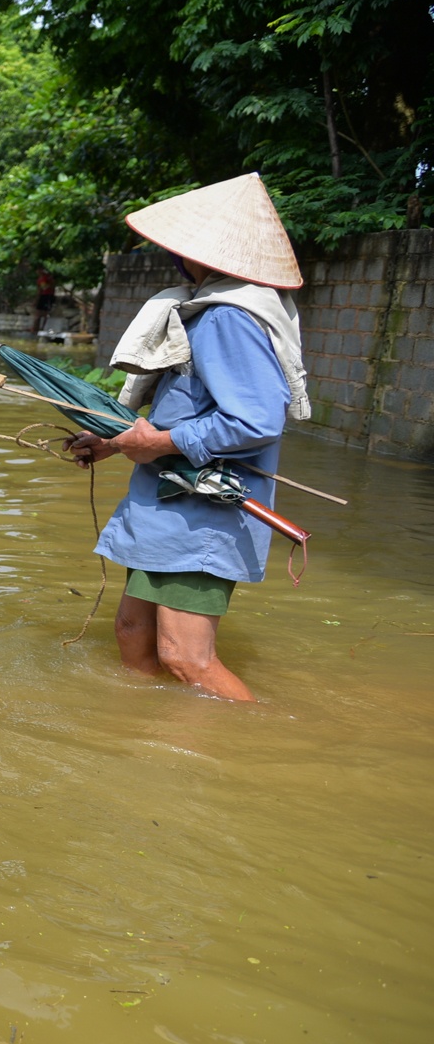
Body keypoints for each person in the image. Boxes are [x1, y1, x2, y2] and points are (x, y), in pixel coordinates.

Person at [64, 173, 310, 702]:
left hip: (200, 509)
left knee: (187, 659)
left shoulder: (225, 317)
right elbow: (187, 408)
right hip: (166, 504)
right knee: (133, 637)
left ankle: (253, 747)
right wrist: (111, 442)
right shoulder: (204, 311)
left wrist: (156, 444)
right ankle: (152, 740)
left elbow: (255, 421)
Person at [30, 267, 56, 336]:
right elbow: (41, 289)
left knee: (43, 314)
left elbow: (43, 289)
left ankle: (40, 328)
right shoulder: (42, 279)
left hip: (47, 296)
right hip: (45, 296)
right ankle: (36, 328)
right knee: (39, 314)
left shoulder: (45, 278)